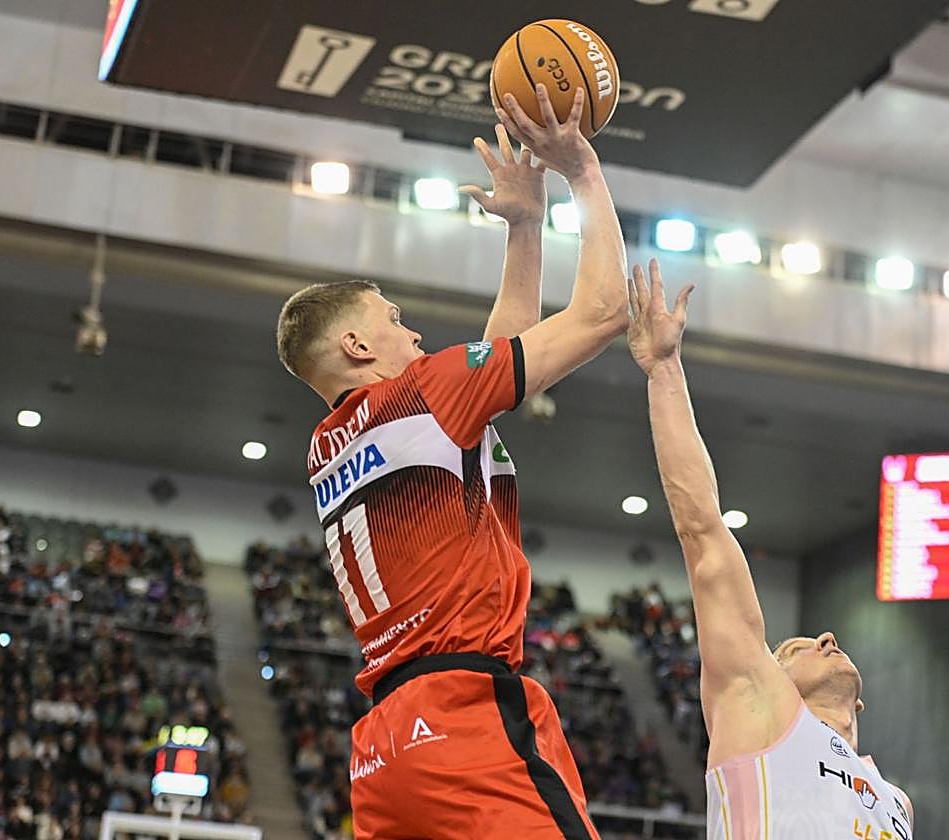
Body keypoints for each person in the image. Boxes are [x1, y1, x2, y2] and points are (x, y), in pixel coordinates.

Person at [275, 85, 627, 840]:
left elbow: (497, 360)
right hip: (463, 718)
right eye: (394, 320)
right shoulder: (426, 394)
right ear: (356, 346)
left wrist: (524, 228)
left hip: (384, 748)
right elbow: (604, 312)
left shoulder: (331, 443)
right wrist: (584, 173)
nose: (414, 332)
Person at [625, 260, 914, 839]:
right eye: (797, 648)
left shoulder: (896, 803)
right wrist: (663, 370)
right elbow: (704, 532)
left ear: (859, 706)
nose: (827, 637)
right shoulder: (760, 706)